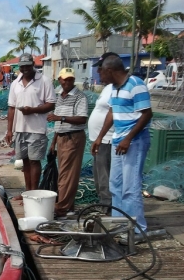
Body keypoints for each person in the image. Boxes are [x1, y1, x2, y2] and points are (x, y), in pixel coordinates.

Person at [91, 55, 153, 232]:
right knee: (115, 185)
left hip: (134, 142)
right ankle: (120, 225)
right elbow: (112, 112)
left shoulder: (135, 84)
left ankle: (137, 229)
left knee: (130, 187)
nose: (99, 74)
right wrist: (100, 137)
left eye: (101, 71)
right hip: (117, 140)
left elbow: (147, 114)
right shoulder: (114, 88)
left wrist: (128, 138)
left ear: (110, 70)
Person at [6, 53, 56, 199]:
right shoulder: (15, 83)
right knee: (25, 161)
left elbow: (51, 104)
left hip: (37, 129)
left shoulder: (44, 81)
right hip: (19, 129)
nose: (25, 68)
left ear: (33, 64)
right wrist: (9, 130)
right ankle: (27, 193)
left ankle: (34, 195)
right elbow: (11, 107)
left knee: (35, 161)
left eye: (28, 65)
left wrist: (32, 110)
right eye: (22, 66)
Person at [47, 67, 89, 220]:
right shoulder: (60, 96)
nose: (68, 82)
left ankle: (62, 207)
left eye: (70, 79)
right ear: (60, 80)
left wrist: (61, 118)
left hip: (73, 137)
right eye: (65, 79)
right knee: (64, 173)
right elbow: (59, 122)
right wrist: (54, 141)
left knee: (66, 175)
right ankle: (68, 207)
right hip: (61, 137)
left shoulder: (80, 97)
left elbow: (82, 118)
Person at [88, 52, 119, 213]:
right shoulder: (108, 88)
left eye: (100, 69)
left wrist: (100, 137)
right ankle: (103, 202)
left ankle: (107, 206)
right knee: (99, 175)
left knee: (105, 175)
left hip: (107, 140)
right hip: (98, 139)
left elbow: (113, 113)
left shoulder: (117, 88)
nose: (98, 73)